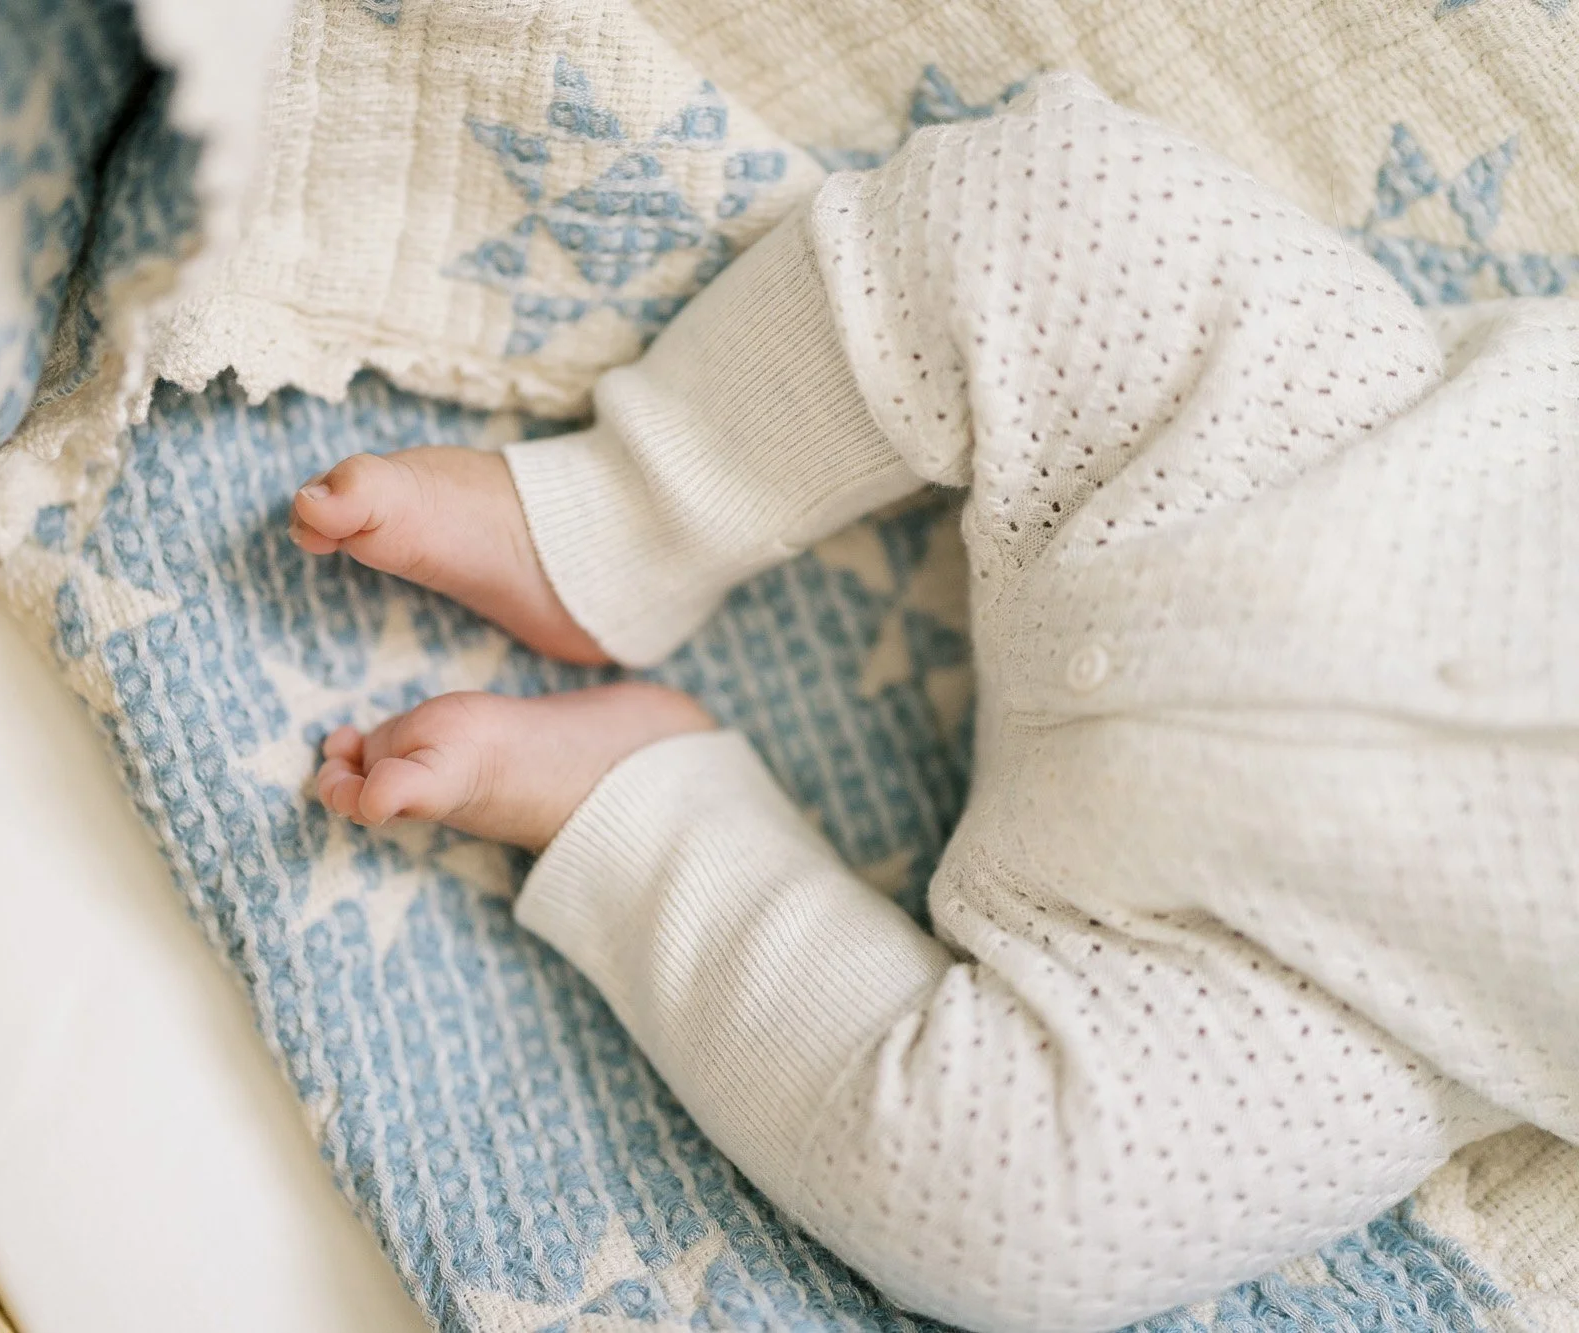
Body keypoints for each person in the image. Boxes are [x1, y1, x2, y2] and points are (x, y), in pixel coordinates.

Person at [287, 73, 1576, 1332]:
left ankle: (640, 822)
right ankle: (634, 513)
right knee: (1070, 211)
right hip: (1321, 460)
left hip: (1312, 986)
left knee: (1010, 1216)